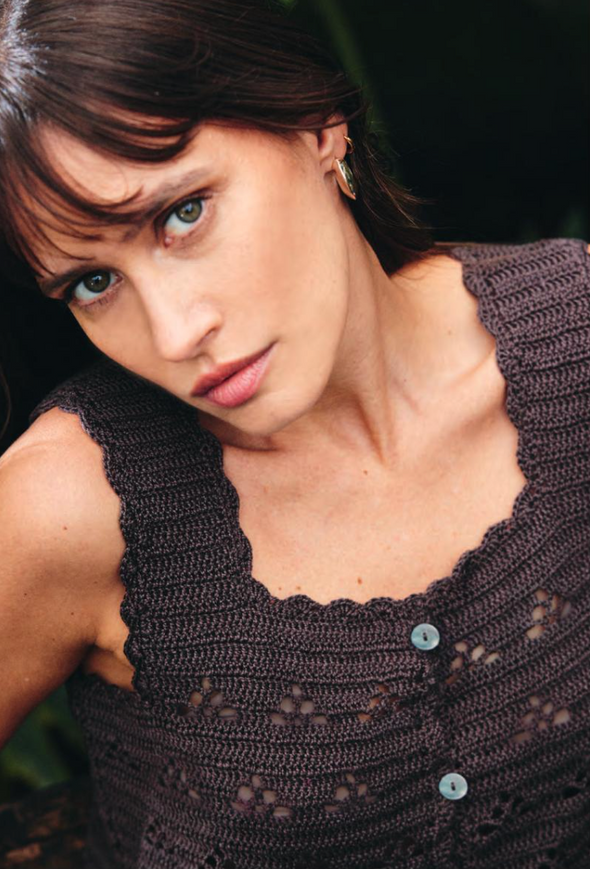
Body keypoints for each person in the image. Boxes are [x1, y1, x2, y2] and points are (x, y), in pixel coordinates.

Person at [0, 0, 588, 867]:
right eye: (92, 281)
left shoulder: (577, 340)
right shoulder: (68, 506)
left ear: (316, 125)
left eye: (183, 213)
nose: (174, 333)